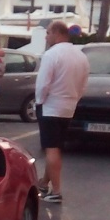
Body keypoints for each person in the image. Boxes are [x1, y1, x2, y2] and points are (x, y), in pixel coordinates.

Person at [34, 20, 90, 204]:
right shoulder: (81, 56)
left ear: (57, 33)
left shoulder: (51, 55)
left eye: (48, 32)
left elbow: (43, 83)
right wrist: (75, 99)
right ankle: (44, 182)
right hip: (68, 106)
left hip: (51, 105)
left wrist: (40, 101)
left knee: (51, 148)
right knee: (57, 147)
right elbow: (83, 84)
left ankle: (56, 190)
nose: (46, 36)